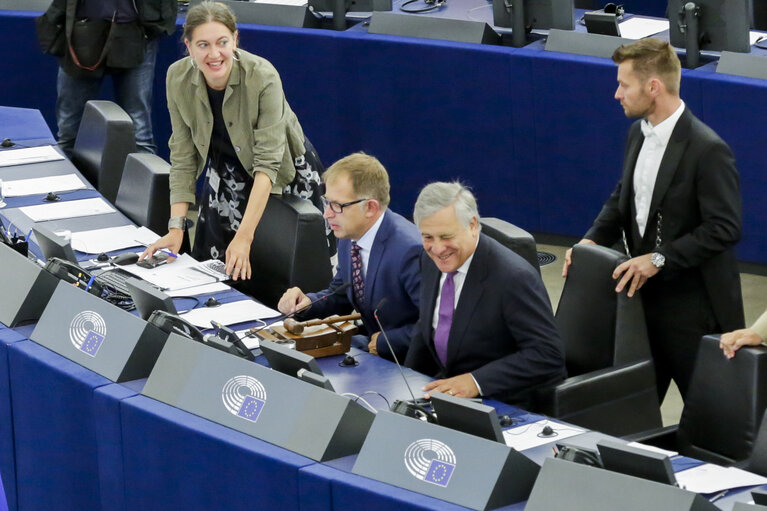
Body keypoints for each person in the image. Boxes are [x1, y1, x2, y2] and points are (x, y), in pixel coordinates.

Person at [562, 38, 744, 401]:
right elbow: (623, 196)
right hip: (642, 302)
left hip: (694, 312)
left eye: (624, 85)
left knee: (708, 414)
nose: (617, 94)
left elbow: (724, 227)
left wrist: (659, 259)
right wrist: (590, 241)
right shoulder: (637, 133)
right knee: (634, 407)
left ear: (653, 87)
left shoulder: (708, 149)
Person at [141, 1, 323, 282]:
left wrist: (245, 236)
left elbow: (268, 165)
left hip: (281, 177)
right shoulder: (176, 77)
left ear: (235, 40)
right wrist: (176, 227)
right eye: (203, 45)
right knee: (214, 271)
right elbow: (183, 155)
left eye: (222, 42)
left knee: (273, 273)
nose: (214, 54)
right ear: (188, 46)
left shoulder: (263, 76)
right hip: (226, 174)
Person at [405, 182, 566, 405]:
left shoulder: (513, 277)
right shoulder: (430, 260)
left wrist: (475, 381)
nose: (438, 249)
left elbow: (547, 355)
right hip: (447, 394)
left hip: (504, 403)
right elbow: (426, 328)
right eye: (428, 237)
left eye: (446, 236)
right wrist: (406, 382)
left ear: (472, 225)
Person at [277, 152, 421, 362]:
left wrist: (386, 342)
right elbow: (341, 293)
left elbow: (438, 326)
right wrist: (307, 303)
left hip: (410, 364)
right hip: (373, 351)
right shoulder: (350, 234)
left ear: (370, 207)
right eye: (327, 203)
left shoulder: (410, 251)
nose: (327, 214)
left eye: (338, 205)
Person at [38, 0, 178, 156]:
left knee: (139, 132)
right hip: (81, 31)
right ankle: (67, 179)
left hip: (137, 31)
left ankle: (145, 178)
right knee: (69, 131)